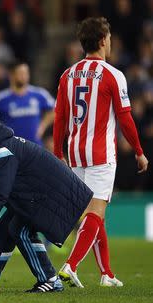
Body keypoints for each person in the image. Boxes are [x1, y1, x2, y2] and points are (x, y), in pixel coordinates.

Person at [0, 115, 93, 292]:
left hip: (51, 192)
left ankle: (50, 280)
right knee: (7, 227)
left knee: (19, 229)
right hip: (43, 191)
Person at [53, 17, 149, 288]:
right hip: (100, 154)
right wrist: (139, 151)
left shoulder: (67, 74)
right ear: (104, 40)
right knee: (95, 213)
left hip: (74, 154)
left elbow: (60, 118)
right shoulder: (112, 74)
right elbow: (125, 118)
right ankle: (70, 266)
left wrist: (59, 152)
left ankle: (106, 274)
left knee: (95, 216)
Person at [0, 60, 55, 145]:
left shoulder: (39, 94)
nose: (24, 76)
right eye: (20, 73)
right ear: (11, 75)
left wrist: (42, 126)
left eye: (26, 73)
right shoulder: (0, 98)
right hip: (12, 147)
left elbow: (54, 110)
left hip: (35, 147)